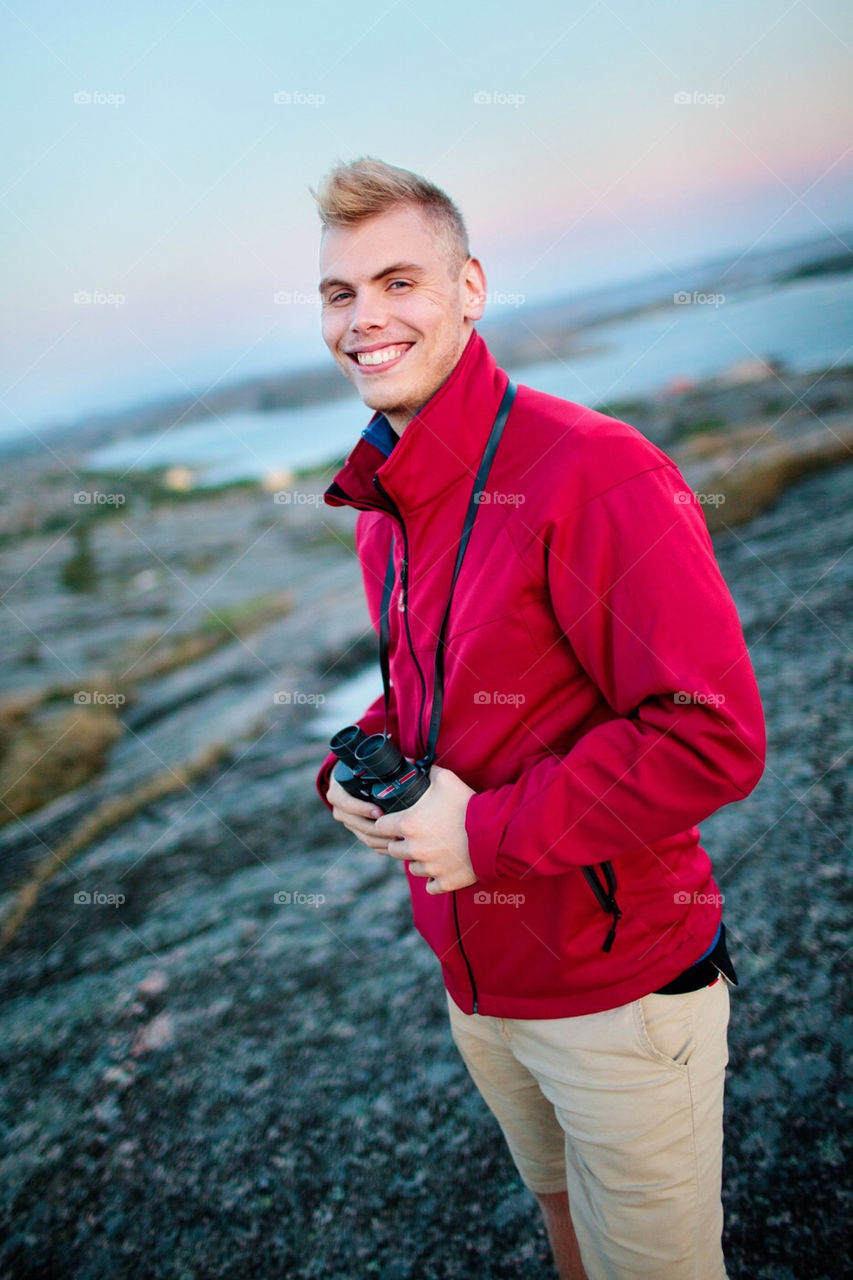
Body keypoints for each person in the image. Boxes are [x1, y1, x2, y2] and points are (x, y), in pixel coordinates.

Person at [312, 156, 765, 1280]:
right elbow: (432, 684)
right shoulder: (389, 502)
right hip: (481, 981)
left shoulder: (594, 470)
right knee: (568, 1237)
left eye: (398, 281)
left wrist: (487, 833)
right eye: (338, 292)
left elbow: (710, 733)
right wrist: (346, 768)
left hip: (617, 993)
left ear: (470, 287)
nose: (365, 317)